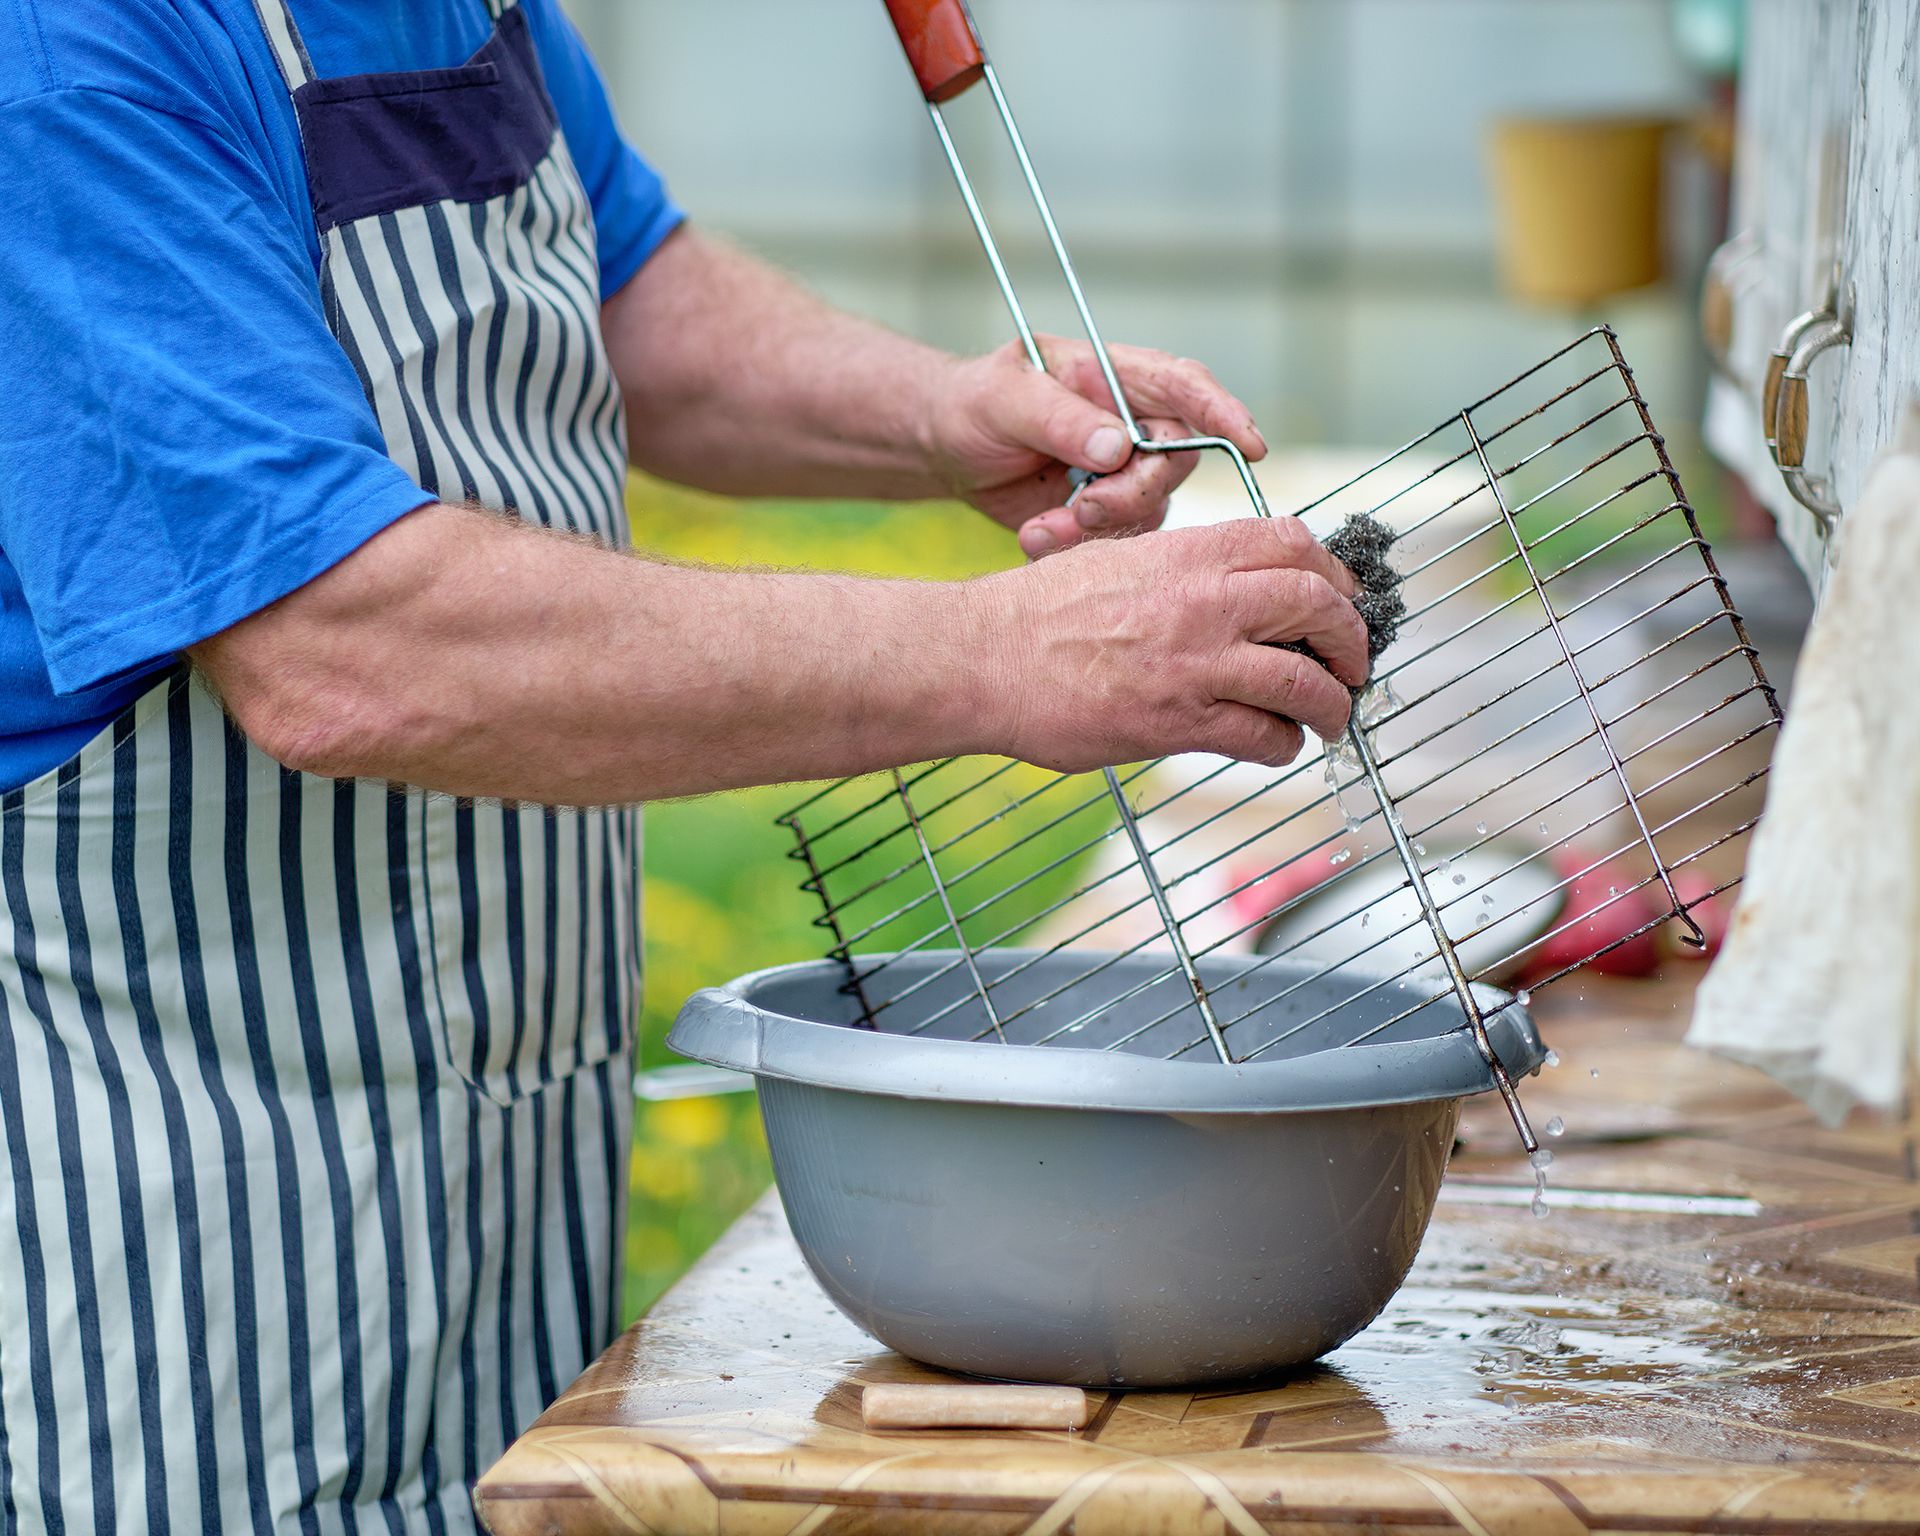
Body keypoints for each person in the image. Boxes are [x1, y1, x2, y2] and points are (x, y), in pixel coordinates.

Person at [0, 1, 1368, 1530]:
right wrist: (1004, 658)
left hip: (498, 1131)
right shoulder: (66, 54)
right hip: (183, 1198)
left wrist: (933, 415)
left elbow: (622, 287)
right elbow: (339, 647)